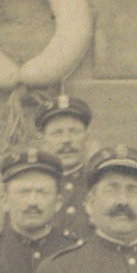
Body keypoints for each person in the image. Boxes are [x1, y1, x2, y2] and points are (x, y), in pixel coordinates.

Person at [35, 94, 95, 242]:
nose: (67, 140)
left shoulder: (97, 184)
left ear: (87, 135)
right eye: (57, 133)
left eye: (74, 131)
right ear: (43, 140)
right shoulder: (34, 188)